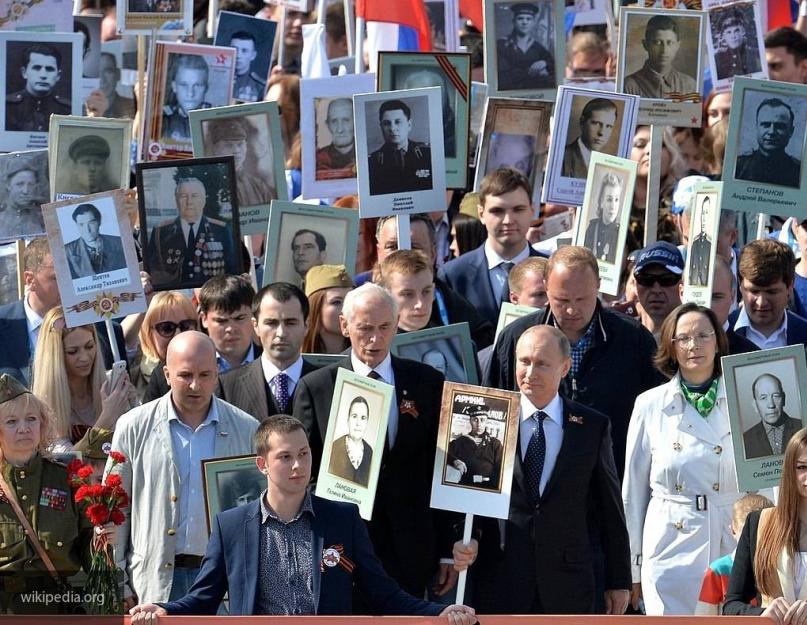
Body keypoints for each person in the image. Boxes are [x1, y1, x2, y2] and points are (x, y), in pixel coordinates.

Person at [127, 416, 477, 621]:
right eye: (285, 457)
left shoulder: (343, 519)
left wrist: (439, 613)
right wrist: (164, 610)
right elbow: (203, 599)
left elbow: (383, 593)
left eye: (304, 453)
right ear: (262, 464)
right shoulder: (231, 525)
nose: (297, 465)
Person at [453, 325, 630, 614]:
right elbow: (469, 498)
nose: (530, 372)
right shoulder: (494, 418)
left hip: (569, 584)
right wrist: (465, 538)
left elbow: (610, 508)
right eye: (524, 362)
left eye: (542, 364)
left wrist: (619, 579)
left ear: (564, 367)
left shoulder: (591, 427)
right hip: (502, 578)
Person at [293, 283, 453, 600]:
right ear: (345, 325)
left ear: (396, 325)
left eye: (383, 327)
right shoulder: (317, 387)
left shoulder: (426, 383)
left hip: (411, 547)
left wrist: (447, 549)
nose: (375, 339)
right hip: (344, 547)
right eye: (365, 328)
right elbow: (304, 474)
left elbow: (440, 468)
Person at [109, 331, 259, 607]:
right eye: (185, 375)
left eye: (204, 375)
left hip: (221, 582)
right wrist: (117, 580)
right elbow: (115, 509)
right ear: (166, 374)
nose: (195, 386)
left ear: (217, 373)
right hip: (153, 580)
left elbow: (257, 512)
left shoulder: (247, 429)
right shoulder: (133, 426)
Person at [487, 246, 659, 477]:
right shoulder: (516, 337)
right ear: (546, 288)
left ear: (598, 285)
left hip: (610, 480)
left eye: (582, 299)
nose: (571, 309)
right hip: (535, 484)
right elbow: (494, 410)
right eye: (562, 299)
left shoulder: (634, 340)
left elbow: (655, 418)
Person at [623, 303, 745, 615]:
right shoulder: (650, 405)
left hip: (731, 537)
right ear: (670, 346)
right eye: (684, 339)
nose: (694, 346)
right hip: (670, 542)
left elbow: (770, 476)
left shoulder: (744, 396)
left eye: (703, 336)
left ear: (717, 342)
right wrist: (633, 567)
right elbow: (633, 493)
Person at [0, 374, 116, 614]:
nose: (24, 428)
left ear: (42, 425)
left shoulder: (67, 478)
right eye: (11, 422)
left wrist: (99, 542)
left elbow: (87, 547)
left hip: (54, 607)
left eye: (31, 419)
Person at [439, 167, 544, 324]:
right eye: (497, 211)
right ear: (481, 214)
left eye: (518, 209)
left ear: (532, 210)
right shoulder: (453, 276)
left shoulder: (552, 271)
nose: (508, 220)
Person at [723, 428, 807, 619]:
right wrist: (763, 614)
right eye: (801, 467)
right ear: (789, 471)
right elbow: (731, 605)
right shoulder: (758, 523)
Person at [219, 282, 317, 421]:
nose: (281, 333)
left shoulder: (327, 385)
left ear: (306, 325)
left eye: (290, 323)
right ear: (256, 326)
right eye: (271, 323)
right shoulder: (226, 386)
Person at [145, 172, 237, 289]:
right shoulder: (160, 232)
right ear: (176, 200)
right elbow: (155, 272)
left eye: (194, 196)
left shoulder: (221, 230)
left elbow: (231, 271)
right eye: (183, 196)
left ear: (204, 199)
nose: (189, 202)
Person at [694, 493, 773, 615]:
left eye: (763, 535)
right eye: (747, 537)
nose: (755, 543)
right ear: (732, 530)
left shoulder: (780, 567)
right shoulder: (718, 570)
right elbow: (704, 617)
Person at [729, 239, 807, 349]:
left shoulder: (804, 334)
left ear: (790, 287)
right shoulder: (721, 335)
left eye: (771, 292)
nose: (761, 302)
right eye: (754, 291)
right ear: (740, 285)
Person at [129, 291, 197, 402]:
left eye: (186, 326)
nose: (178, 335)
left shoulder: (211, 369)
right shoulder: (132, 376)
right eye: (167, 328)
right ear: (148, 332)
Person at [204, 117, 276, 207]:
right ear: (215, 149)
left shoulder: (259, 186)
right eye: (228, 145)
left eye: (240, 144)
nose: (236, 151)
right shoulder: (206, 188)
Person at [367, 99, 433, 196]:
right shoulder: (372, 162)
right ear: (381, 127)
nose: (392, 128)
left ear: (409, 125)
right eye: (387, 123)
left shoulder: (429, 155)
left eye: (398, 122)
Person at [624, 15, 697, 99]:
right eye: (657, 42)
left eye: (670, 43)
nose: (664, 50)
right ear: (646, 45)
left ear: (677, 46)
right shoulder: (629, 85)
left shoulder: (689, 85)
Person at [735, 98, 801, 188]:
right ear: (756, 127)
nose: (771, 132)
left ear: (791, 131)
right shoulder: (738, 167)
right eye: (766, 125)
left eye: (779, 126)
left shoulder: (801, 173)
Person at [6, 43, 70, 132]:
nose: (43, 75)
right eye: (36, 68)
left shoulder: (67, 110)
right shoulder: (6, 106)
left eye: (49, 69)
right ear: (24, 72)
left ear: (58, 75)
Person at [496, 3, 555, 91]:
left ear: (533, 23)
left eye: (528, 19)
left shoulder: (539, 48)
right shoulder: (501, 45)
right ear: (514, 21)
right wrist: (530, 72)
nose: (524, 22)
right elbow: (501, 77)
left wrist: (544, 63)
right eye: (520, 18)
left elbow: (554, 69)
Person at [633, 241, 684, 343]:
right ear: (635, 285)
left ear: (682, 285)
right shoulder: (620, 336)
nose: (656, 290)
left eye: (667, 279)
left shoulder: (695, 340)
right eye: (646, 279)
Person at [743, 373, 803, 459]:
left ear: (783, 399)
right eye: (763, 398)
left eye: (776, 396)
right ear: (755, 405)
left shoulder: (803, 428)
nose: (771, 405)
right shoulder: (745, 441)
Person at [401, 69, 456, 158]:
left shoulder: (456, 140)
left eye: (432, 99)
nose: (424, 107)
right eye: (417, 100)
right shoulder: (399, 135)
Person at [64, 203, 126, 279]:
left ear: (99, 222)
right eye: (81, 224)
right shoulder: (67, 251)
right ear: (76, 225)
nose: (87, 230)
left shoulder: (119, 242)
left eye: (91, 223)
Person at [301, 264, 353, 354]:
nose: (348, 308)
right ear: (315, 309)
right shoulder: (293, 359)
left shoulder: (366, 360)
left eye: (351, 300)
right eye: (336, 302)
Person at [446, 406, 502, 489]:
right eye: (475, 420)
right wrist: (454, 461)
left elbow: (501, 470)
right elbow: (443, 452)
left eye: (482, 420)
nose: (479, 423)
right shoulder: (460, 441)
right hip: (464, 487)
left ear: (486, 421)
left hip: (489, 488)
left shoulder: (495, 444)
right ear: (470, 421)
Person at [161, 55, 212, 144]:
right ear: (174, 87)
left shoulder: (216, 119)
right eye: (183, 85)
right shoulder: (163, 117)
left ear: (206, 88)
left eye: (197, 85)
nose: (190, 93)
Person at [562, 99, 618, 179]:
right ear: (582, 122)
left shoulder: (613, 163)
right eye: (596, 123)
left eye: (608, 126)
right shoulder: (562, 157)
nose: (601, 133)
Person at [329, 395, 373, 487]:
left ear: (367, 422)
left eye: (363, 418)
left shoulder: (370, 452)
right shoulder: (334, 447)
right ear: (348, 419)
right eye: (354, 416)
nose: (358, 423)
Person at [0, 159, 46, 240]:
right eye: (20, 184)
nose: (25, 191)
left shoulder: (41, 218)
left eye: (31, 185)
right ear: (8, 185)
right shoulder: (2, 218)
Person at [584, 172, 623, 264]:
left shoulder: (622, 233)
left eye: (616, 200)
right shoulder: (592, 228)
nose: (613, 206)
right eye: (609, 199)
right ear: (601, 202)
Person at [713, 9, 760, 80]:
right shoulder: (717, 59)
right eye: (729, 32)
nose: (733, 36)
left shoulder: (755, 54)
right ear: (723, 36)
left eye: (736, 31)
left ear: (743, 31)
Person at [316, 98, 356, 180]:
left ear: (356, 122)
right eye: (334, 121)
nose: (340, 129)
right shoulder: (317, 160)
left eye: (346, 120)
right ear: (328, 125)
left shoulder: (367, 156)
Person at [88, 52, 135, 118]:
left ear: (117, 74)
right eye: (97, 73)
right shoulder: (81, 110)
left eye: (108, 71)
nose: (102, 80)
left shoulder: (132, 107)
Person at [228, 31, 265, 102]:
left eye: (244, 51)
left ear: (253, 55)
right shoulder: (215, 79)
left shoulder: (259, 87)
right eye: (234, 49)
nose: (238, 55)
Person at [689, 195, 713, 287]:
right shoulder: (695, 243)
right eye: (702, 213)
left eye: (706, 213)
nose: (703, 218)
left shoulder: (710, 244)